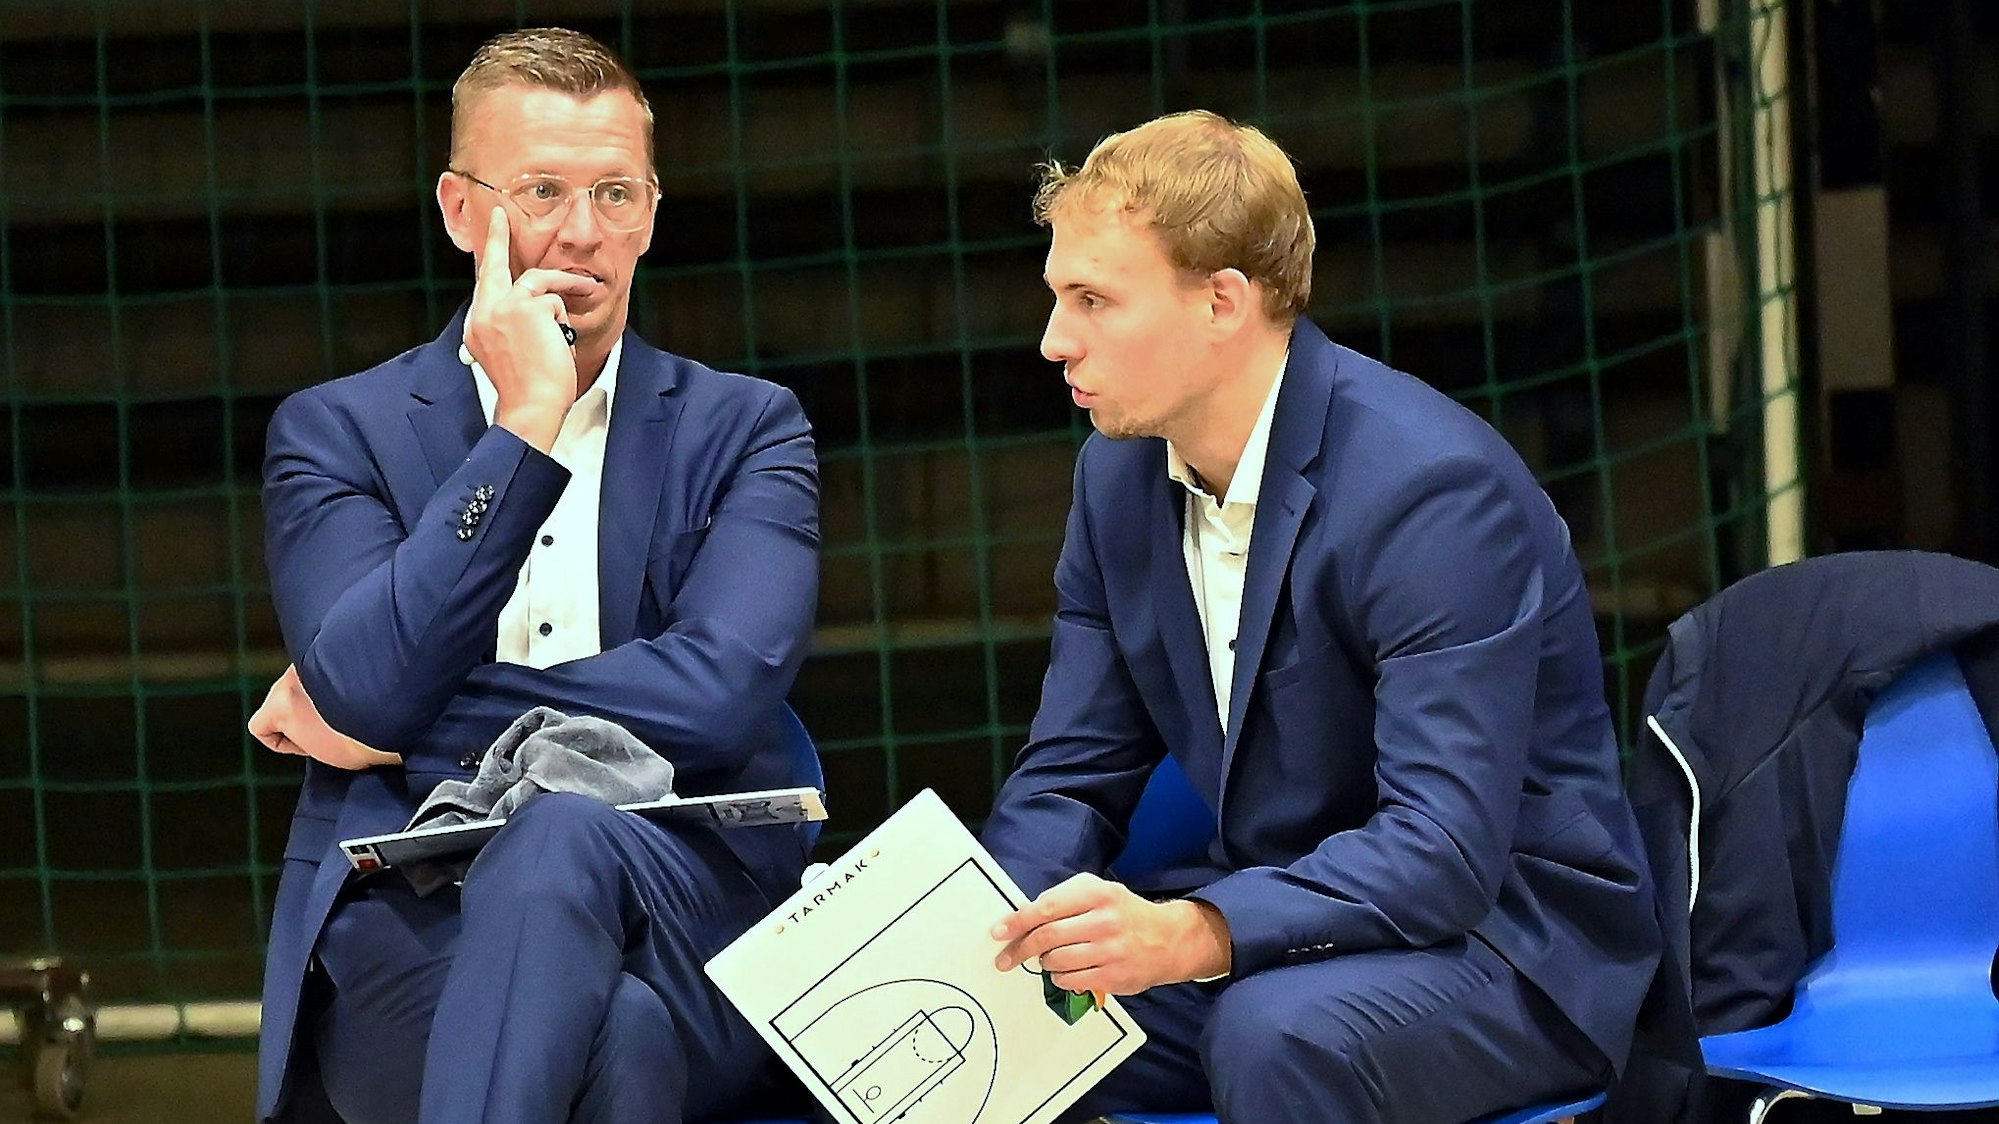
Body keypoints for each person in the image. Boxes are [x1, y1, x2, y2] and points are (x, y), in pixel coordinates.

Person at [982, 110, 1661, 1124]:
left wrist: (1196, 929)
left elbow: (1442, 848)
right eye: (1055, 297)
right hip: (1276, 924)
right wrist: (985, 932)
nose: (1053, 340)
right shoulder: (1115, 475)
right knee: (1009, 1019)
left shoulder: (1430, 489)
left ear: (1221, 302)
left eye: (1092, 300)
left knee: (1272, 1031)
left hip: (1504, 943)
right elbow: (1073, 769)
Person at [246, 27, 819, 1124]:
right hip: (416, 907)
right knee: (622, 1035)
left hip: (680, 888)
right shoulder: (336, 431)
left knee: (564, 832)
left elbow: (717, 695)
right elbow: (368, 681)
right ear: (463, 211)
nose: (580, 232)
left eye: (615, 193)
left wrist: (412, 716)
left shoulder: (748, 428)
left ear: (652, 211)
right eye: (543, 190)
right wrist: (524, 425)